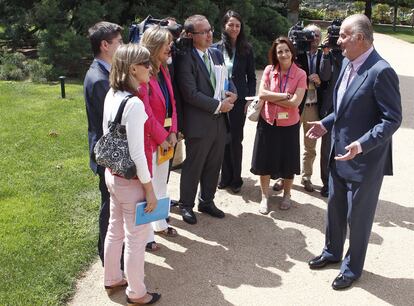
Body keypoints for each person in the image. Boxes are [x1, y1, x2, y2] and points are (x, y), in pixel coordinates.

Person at [307, 14, 402, 290]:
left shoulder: (381, 71)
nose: (338, 40)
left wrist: (361, 144)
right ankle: (332, 252)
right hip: (338, 152)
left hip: (365, 160)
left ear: (360, 38)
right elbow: (346, 106)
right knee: (335, 209)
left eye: (344, 35)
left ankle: (351, 268)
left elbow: (391, 119)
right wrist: (326, 124)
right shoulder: (348, 62)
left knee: (357, 218)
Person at [103, 43, 161, 304]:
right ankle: (137, 293)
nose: (150, 68)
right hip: (131, 180)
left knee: (115, 229)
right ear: (133, 68)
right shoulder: (135, 104)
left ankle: (112, 276)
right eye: (146, 64)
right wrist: (149, 189)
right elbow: (138, 154)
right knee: (135, 239)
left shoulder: (112, 94)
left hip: (112, 173)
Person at [175, 14, 237, 224]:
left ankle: (207, 201)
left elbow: (227, 80)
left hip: (219, 121)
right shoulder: (185, 58)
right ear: (191, 35)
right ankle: (186, 205)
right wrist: (219, 105)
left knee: (214, 163)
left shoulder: (216, 54)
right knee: (194, 165)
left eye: (210, 30)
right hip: (199, 122)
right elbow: (190, 93)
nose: (210, 34)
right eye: (204, 32)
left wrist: (233, 94)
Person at [251, 36, 307, 214]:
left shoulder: (300, 74)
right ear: (275, 54)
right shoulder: (269, 70)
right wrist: (285, 96)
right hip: (268, 121)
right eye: (279, 51)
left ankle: (287, 194)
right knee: (264, 161)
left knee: (288, 162)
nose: (283, 54)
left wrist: (273, 96)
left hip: (289, 125)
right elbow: (262, 95)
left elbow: (295, 103)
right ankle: (264, 196)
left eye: (286, 50)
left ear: (292, 52)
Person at [83, 21, 123, 266]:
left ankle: (115, 253)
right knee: (109, 208)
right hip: (107, 154)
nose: (123, 46)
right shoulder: (99, 79)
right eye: (119, 42)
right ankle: (108, 257)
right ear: (105, 45)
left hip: (109, 151)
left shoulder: (106, 72)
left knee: (113, 206)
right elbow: (110, 125)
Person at [139, 26, 179, 250]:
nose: (170, 47)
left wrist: (173, 130)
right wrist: (163, 136)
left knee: (161, 184)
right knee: (149, 189)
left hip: (165, 139)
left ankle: (160, 223)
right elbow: (145, 113)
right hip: (150, 140)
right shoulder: (143, 73)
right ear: (154, 47)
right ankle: (146, 236)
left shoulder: (163, 69)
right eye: (167, 44)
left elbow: (171, 102)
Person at [213, 10, 256, 194]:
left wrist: (249, 100)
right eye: (231, 24)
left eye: (237, 25)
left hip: (239, 101)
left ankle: (236, 179)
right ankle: (226, 176)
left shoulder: (246, 48)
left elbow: (252, 77)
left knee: (236, 139)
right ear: (224, 25)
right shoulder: (215, 48)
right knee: (223, 138)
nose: (234, 28)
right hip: (220, 100)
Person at [318, 39, 344, 198]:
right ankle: (327, 182)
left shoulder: (351, 55)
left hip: (346, 107)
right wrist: (326, 54)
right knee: (327, 148)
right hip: (330, 107)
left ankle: (341, 182)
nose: (338, 40)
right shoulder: (328, 54)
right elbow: (324, 75)